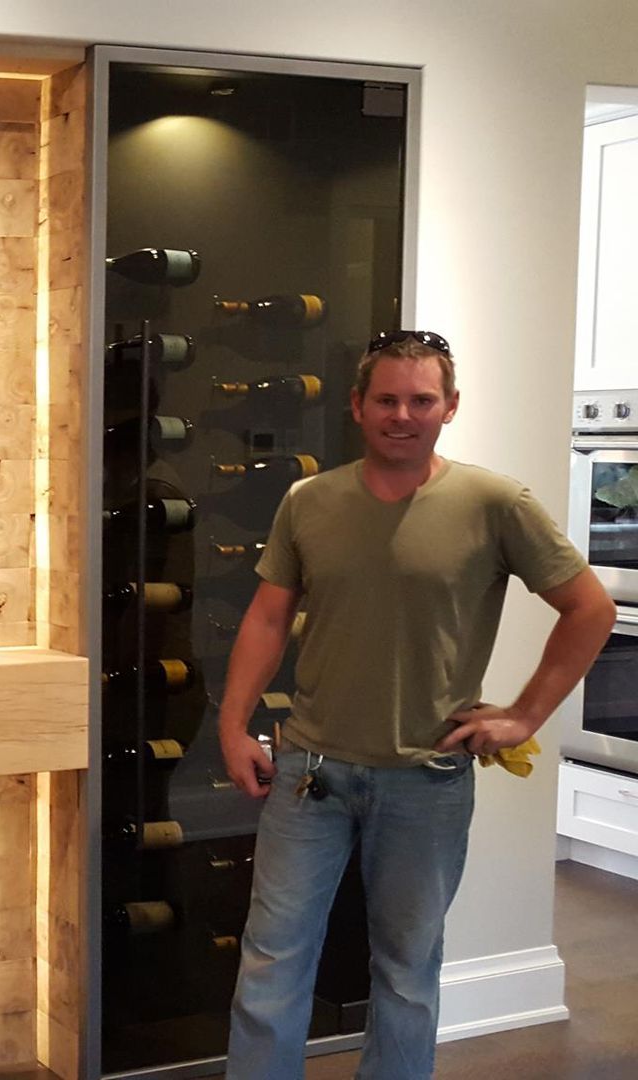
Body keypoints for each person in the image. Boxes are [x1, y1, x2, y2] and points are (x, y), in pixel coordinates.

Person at [217, 330, 613, 1079]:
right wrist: (233, 725)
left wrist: (525, 715)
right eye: (387, 399)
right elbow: (268, 619)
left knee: (406, 970)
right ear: (359, 407)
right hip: (310, 775)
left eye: (421, 400)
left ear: (450, 407)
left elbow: (587, 608)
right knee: (272, 963)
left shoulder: (494, 503)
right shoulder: (310, 501)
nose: (404, 414)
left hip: (426, 779)